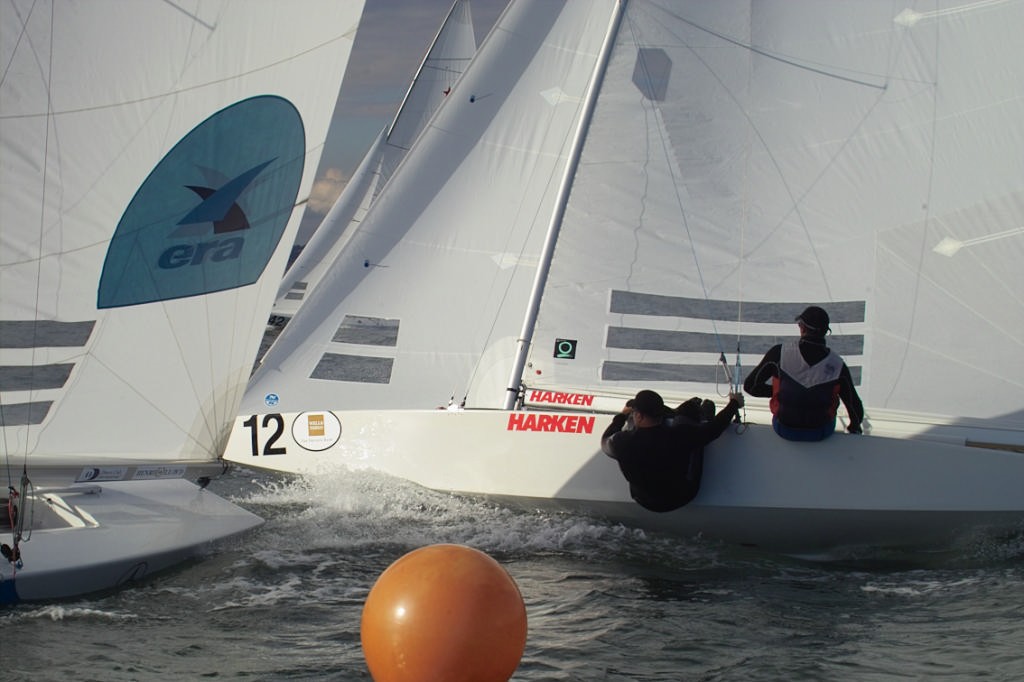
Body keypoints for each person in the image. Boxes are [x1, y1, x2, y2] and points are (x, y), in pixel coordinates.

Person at [600, 389, 743, 512]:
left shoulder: (621, 442)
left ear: (638, 415)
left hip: (643, 500)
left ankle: (678, 412)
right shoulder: (681, 435)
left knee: (687, 422)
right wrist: (734, 403)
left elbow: (605, 440)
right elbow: (714, 429)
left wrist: (621, 416)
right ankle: (684, 412)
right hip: (682, 497)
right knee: (695, 414)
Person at [743, 305, 863, 441]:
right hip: (819, 432)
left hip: (784, 429)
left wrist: (780, 391)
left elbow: (750, 386)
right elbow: (855, 409)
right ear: (825, 332)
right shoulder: (837, 365)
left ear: (802, 328)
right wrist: (854, 427)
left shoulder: (780, 353)